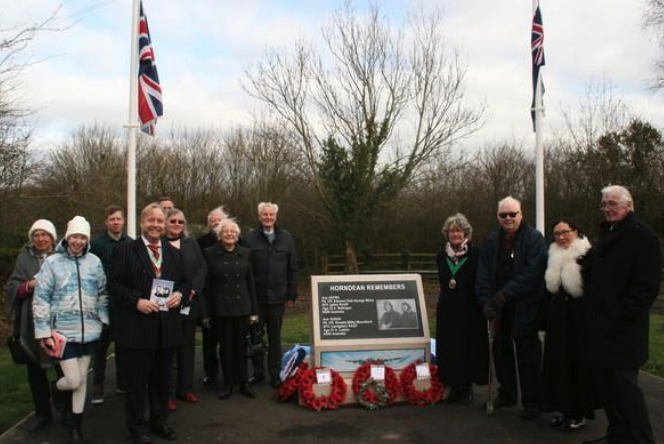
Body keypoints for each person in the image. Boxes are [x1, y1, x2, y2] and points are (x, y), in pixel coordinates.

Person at [583, 185, 661, 444]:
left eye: (613, 203)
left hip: (623, 331)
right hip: (601, 329)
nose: (607, 208)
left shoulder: (642, 237)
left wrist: (623, 316)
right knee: (609, 390)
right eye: (604, 204)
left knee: (626, 390)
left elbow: (646, 286)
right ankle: (618, 435)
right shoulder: (607, 235)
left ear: (629, 205)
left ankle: (641, 439)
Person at [108, 203, 190, 444]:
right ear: (142, 223)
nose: (155, 225)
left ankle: (159, 420)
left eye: (159, 220)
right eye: (150, 220)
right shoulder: (125, 250)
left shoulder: (174, 253)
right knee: (137, 382)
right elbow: (113, 284)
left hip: (166, 328)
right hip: (137, 327)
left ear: (164, 224)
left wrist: (180, 295)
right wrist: (136, 301)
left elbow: (186, 283)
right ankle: (137, 426)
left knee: (162, 381)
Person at [33, 216, 109, 444]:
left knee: (82, 381)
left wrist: (103, 318)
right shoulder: (52, 263)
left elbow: (103, 291)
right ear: (67, 237)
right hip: (62, 333)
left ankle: (76, 428)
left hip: (90, 331)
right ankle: (57, 390)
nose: (78, 241)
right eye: (75, 236)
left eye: (82, 237)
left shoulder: (94, 261)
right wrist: (43, 332)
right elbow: (41, 298)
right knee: (73, 381)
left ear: (87, 240)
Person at [476, 196, 547, 419]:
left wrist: (504, 295)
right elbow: (483, 273)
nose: (508, 218)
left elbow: (533, 273)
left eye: (512, 214)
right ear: (498, 216)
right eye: (503, 215)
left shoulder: (534, 238)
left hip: (525, 304)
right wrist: (486, 301)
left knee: (528, 354)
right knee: (500, 351)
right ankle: (506, 393)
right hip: (499, 307)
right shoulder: (491, 240)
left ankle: (532, 401)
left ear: (521, 214)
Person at [5, 219, 65, 432]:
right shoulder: (24, 259)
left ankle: (64, 406)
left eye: (45, 235)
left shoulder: (62, 258)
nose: (41, 239)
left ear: (52, 237)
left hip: (59, 324)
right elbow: (12, 287)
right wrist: (29, 285)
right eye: (37, 235)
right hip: (31, 325)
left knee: (64, 370)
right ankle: (42, 413)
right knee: (35, 373)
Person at [538, 219, 597, 431]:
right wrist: (543, 323)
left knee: (576, 368)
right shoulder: (553, 255)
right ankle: (564, 411)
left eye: (565, 232)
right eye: (556, 234)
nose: (561, 237)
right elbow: (548, 292)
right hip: (557, 322)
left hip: (578, 323)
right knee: (558, 367)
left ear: (576, 231)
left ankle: (578, 413)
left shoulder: (587, 256)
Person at [435, 213, 488, 405]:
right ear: (446, 233)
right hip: (448, 310)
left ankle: (466, 388)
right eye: (452, 230)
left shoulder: (477, 254)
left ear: (466, 232)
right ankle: (454, 386)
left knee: (468, 348)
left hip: (469, 310)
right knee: (450, 349)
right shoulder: (441, 257)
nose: (455, 233)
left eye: (459, 230)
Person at [204, 218, 259, 399]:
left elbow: (250, 283)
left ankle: (243, 383)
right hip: (221, 309)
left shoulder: (245, 253)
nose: (229, 234)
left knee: (241, 348)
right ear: (219, 235)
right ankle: (227, 384)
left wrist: (254, 311)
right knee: (226, 349)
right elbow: (207, 286)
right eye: (226, 231)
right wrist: (206, 313)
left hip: (242, 308)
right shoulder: (209, 253)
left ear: (237, 235)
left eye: (233, 232)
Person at [245, 202, 298, 388]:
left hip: (278, 297)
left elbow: (292, 268)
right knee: (256, 337)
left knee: (275, 338)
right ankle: (258, 372)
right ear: (259, 216)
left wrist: (291, 295)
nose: (268, 218)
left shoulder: (286, 237)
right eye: (264, 215)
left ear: (276, 216)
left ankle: (275, 373)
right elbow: (246, 269)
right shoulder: (250, 238)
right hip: (257, 298)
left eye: (271, 215)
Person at [164, 209, 207, 411]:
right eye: (173, 221)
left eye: (181, 221)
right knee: (168, 353)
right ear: (165, 223)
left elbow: (201, 269)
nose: (177, 224)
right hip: (166, 307)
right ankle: (168, 393)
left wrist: (192, 291)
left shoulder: (191, 244)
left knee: (187, 350)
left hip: (189, 305)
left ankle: (185, 388)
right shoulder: (159, 244)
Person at [90, 205, 132, 405]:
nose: (116, 222)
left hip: (123, 303)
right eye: (112, 219)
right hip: (103, 302)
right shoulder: (96, 244)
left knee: (123, 345)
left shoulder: (131, 243)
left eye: (119, 218)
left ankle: (123, 382)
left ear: (123, 221)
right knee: (101, 346)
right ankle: (98, 384)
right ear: (106, 222)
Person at [196, 206, 228, 385]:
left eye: (219, 220)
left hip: (229, 299)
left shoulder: (235, 239)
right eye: (213, 221)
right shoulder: (200, 243)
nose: (216, 224)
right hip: (208, 299)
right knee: (209, 341)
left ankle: (229, 372)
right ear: (208, 225)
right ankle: (210, 373)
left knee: (228, 342)